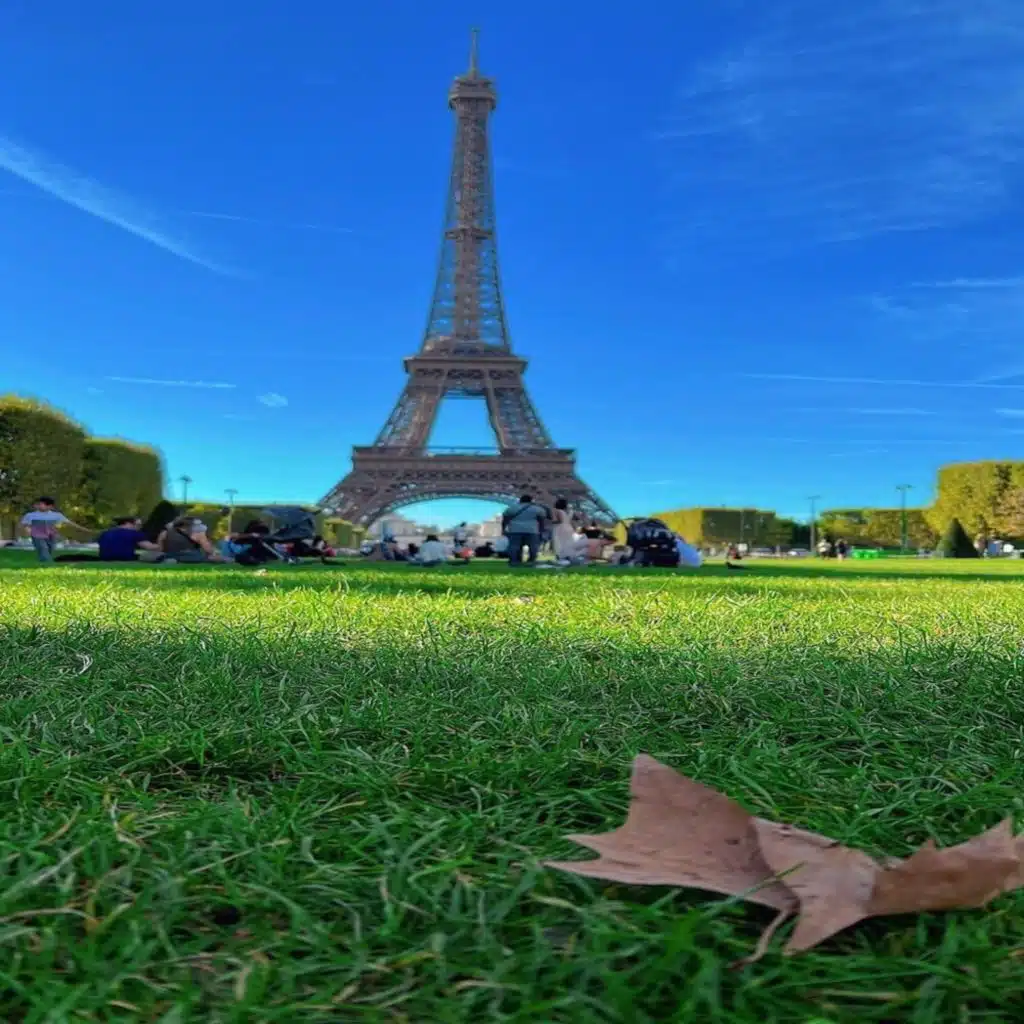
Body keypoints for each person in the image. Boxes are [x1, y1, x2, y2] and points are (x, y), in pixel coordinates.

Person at [20, 497, 87, 563]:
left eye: (41, 504)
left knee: (49, 551)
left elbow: (69, 523)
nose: (39, 505)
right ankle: (49, 563)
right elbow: (25, 525)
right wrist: (28, 530)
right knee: (43, 548)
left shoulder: (56, 515)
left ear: (49, 506)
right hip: (37, 536)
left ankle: (43, 563)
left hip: (51, 536)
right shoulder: (30, 515)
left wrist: (84, 529)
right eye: (39, 504)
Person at [502, 494, 549, 566]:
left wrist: (503, 529)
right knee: (533, 546)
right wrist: (541, 530)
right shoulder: (537, 509)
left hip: (515, 529)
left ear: (520, 500)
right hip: (532, 530)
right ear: (531, 500)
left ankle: (514, 561)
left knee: (514, 546)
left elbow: (505, 519)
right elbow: (541, 521)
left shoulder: (512, 508)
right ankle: (531, 560)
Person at [157, 516, 222, 563]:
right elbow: (207, 548)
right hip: (191, 555)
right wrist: (215, 552)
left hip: (171, 555)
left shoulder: (166, 532)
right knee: (214, 558)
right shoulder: (196, 531)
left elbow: (160, 548)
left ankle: (174, 560)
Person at [551, 499, 579, 564]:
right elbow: (577, 518)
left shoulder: (556, 510)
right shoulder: (569, 512)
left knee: (558, 544)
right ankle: (568, 557)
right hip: (569, 528)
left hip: (559, 528)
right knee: (567, 543)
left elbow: (559, 521)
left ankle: (560, 557)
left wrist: (551, 521)